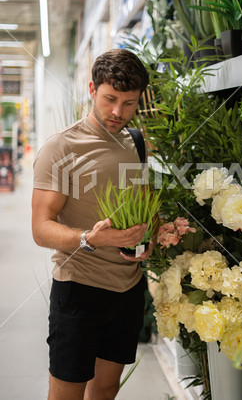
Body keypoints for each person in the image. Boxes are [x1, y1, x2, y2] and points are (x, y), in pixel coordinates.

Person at [32, 49, 155, 400]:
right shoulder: (61, 148)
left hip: (127, 289)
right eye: (110, 99)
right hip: (79, 289)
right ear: (91, 89)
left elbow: (143, 202)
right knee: (67, 393)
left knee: (105, 389)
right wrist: (90, 238)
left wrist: (148, 240)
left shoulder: (136, 142)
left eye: (129, 103)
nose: (118, 112)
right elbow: (41, 228)